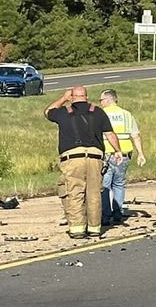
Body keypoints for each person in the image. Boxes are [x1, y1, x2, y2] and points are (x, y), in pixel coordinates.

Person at [44, 86, 118, 239]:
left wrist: (63, 98)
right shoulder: (97, 111)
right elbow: (110, 134)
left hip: (73, 158)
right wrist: (117, 151)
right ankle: (94, 228)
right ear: (86, 96)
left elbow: (48, 111)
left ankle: (77, 229)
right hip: (95, 157)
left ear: (72, 97)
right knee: (94, 193)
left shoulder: (64, 112)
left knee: (75, 192)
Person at [97, 89, 146, 226]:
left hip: (106, 154)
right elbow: (135, 135)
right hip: (124, 154)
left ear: (107, 100)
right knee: (119, 184)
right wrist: (140, 154)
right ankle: (118, 213)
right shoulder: (126, 114)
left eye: (101, 100)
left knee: (105, 185)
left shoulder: (101, 114)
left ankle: (105, 216)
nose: (100, 103)